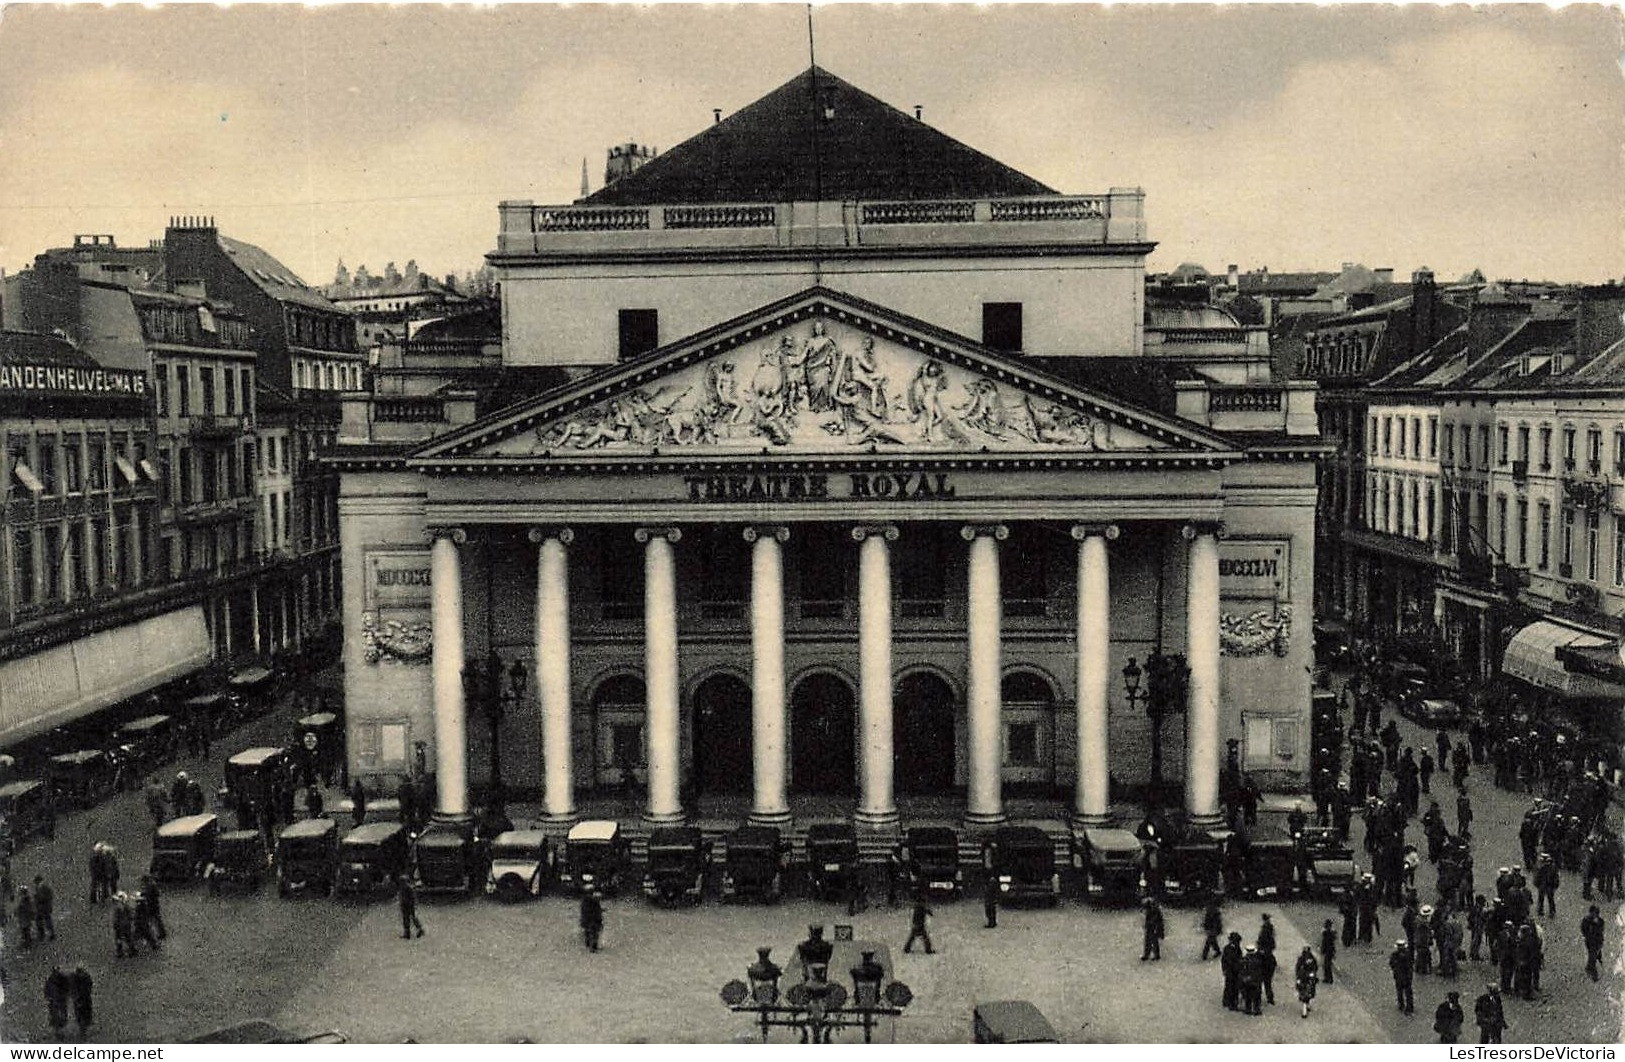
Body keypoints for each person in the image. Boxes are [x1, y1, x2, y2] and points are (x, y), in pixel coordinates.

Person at [44, 966, 70, 1039]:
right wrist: (49, 997)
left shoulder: (62, 979)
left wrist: (64, 995)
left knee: (61, 1016)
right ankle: (57, 1031)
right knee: (55, 1016)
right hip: (54, 1001)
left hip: (61, 1000)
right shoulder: (50, 980)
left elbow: (67, 988)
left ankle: (61, 1031)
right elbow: (46, 989)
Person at [1390, 940, 1415, 1014]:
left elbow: (1392, 964)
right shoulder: (1407, 954)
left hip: (1401, 976)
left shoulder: (1395, 955)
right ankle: (1407, 1006)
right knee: (1405, 992)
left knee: (1402, 991)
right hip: (1404, 976)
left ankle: (1404, 1005)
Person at [1238, 946, 1264, 1016]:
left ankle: (1248, 1009)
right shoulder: (1258, 960)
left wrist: (1244, 978)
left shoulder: (1244, 960)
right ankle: (1256, 1009)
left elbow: (1241, 971)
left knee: (1248, 996)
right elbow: (1260, 971)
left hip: (1247, 981)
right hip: (1256, 981)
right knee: (1257, 996)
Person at [1581, 903, 1606, 981]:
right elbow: (1583, 930)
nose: (1594, 914)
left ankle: (1593, 973)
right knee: (1592, 955)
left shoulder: (1600, 921)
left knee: (1592, 957)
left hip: (1597, 942)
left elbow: (1599, 931)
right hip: (1590, 942)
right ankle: (1590, 968)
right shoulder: (1586, 920)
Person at [1257, 913, 1278, 1005]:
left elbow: (1261, 940)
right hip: (1269, 963)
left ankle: (1258, 998)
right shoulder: (1270, 928)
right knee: (1268, 983)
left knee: (1259, 982)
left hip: (1263, 964)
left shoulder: (1264, 929)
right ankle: (1270, 999)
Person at [138, 875, 166, 940]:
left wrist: (142, 895)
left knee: (154, 919)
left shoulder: (150, 886)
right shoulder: (152, 885)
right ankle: (161, 933)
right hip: (154, 905)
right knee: (157, 919)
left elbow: (148, 894)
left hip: (152, 906)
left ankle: (159, 933)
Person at [1294, 946, 1319, 1018]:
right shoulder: (1311, 959)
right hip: (1306, 979)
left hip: (1305, 979)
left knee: (1306, 993)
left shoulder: (1302, 959)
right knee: (1307, 993)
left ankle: (1306, 1006)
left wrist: (1298, 977)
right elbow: (1315, 968)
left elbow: (1297, 969)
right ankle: (1304, 1009)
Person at [70, 966, 93, 1039]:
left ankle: (83, 1030)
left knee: (82, 1015)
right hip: (82, 1000)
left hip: (82, 1000)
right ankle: (83, 1030)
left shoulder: (79, 980)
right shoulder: (83, 979)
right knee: (82, 1015)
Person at [398, 876, 424, 940]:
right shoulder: (402, 889)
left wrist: (411, 905)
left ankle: (420, 930)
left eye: (403, 882)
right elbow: (401, 897)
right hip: (404, 905)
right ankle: (407, 933)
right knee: (405, 919)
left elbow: (413, 898)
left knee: (413, 918)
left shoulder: (409, 889)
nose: (402, 884)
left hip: (410, 905)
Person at [32, 876, 54, 941]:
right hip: (40, 908)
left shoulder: (45, 888)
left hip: (45, 907)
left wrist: (41, 899)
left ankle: (51, 934)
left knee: (47, 921)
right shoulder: (37, 888)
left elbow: (49, 897)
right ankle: (41, 934)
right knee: (38, 920)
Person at [15, 884, 34, 948]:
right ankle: (27, 941)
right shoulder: (26, 899)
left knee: (25, 930)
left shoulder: (25, 900)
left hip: (24, 918)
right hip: (24, 918)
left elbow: (27, 909)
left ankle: (27, 943)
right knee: (26, 930)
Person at [1320, 917, 1338, 985]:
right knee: (1327, 965)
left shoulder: (1327, 934)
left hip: (1328, 951)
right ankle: (1328, 978)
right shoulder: (1330, 933)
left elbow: (1325, 943)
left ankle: (1328, 978)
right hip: (1330, 951)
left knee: (1326, 965)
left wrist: (1322, 950)